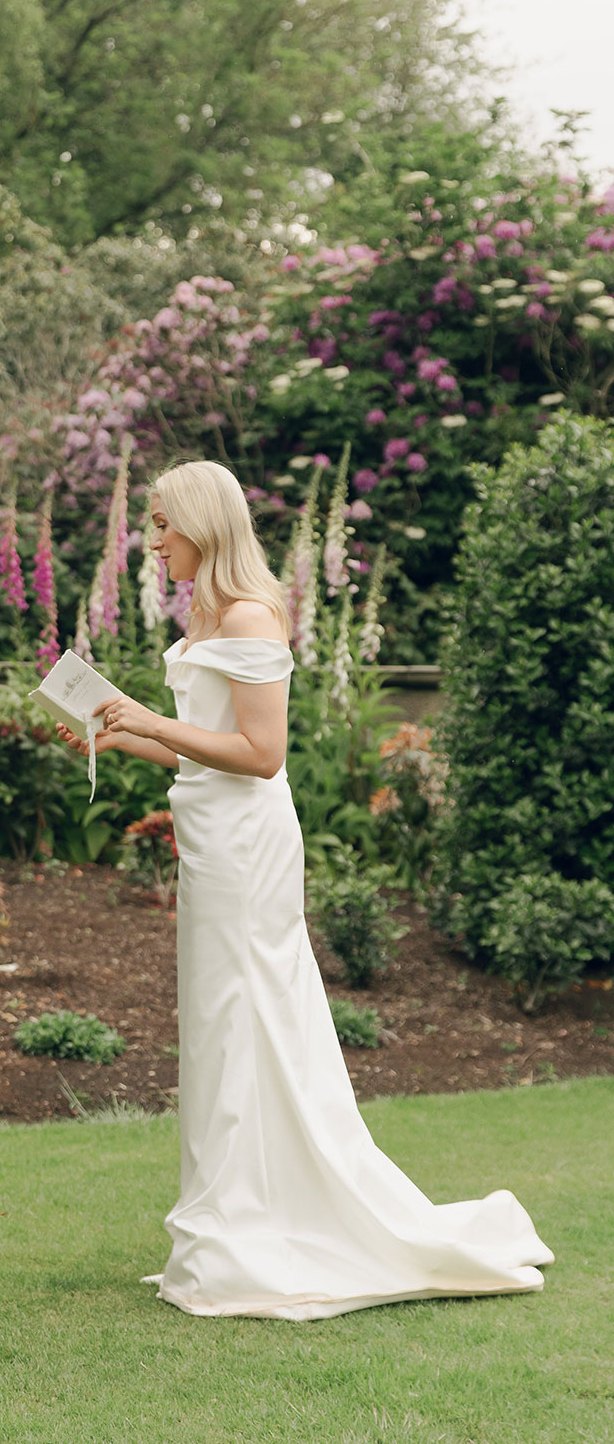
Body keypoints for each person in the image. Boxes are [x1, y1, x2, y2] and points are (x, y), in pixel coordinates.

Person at [57, 459, 551, 1320]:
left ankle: (265, 1223)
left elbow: (261, 754)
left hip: (248, 850)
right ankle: (233, 1212)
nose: (155, 538)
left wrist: (148, 716)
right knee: (220, 1024)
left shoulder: (250, 616)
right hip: (210, 842)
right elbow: (198, 745)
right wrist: (119, 736)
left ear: (205, 525)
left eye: (165, 524)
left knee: (253, 1016)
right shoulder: (207, 615)